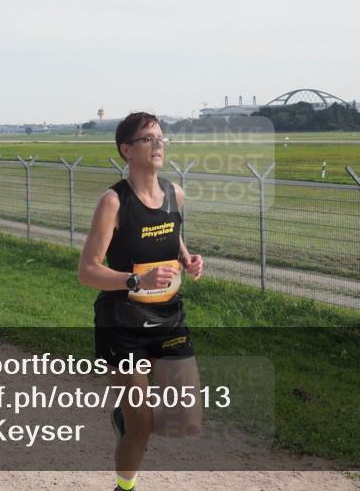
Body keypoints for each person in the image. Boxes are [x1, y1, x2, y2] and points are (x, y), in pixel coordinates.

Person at [78, 112, 204, 491]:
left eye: (161, 138)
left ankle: (125, 418)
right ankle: (125, 486)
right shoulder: (113, 202)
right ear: (127, 149)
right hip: (123, 323)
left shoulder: (174, 193)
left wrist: (186, 258)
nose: (158, 145)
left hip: (168, 316)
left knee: (187, 420)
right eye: (148, 139)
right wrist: (136, 280)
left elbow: (170, 236)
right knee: (141, 426)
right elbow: (87, 271)